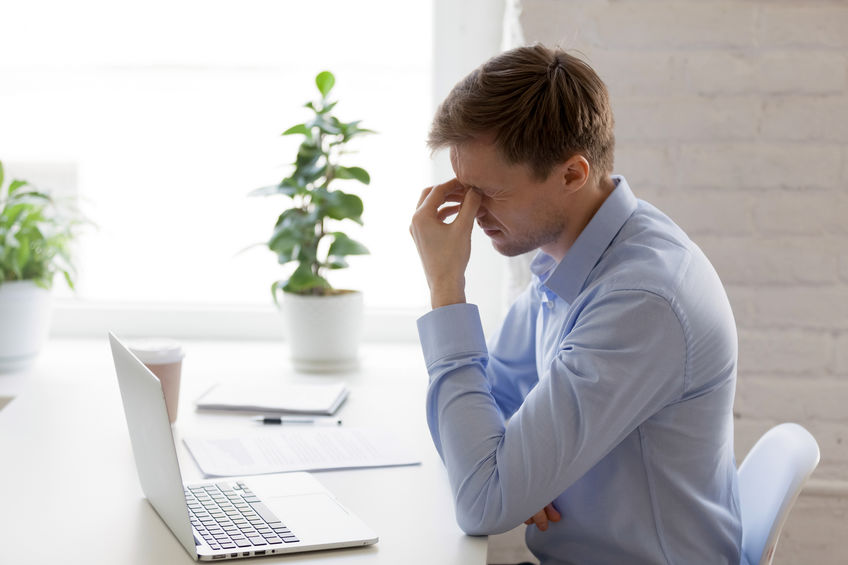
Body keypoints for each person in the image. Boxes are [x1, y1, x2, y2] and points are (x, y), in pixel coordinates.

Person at [409, 44, 743, 564]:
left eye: (488, 192)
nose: (471, 213)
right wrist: (509, 472)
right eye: (463, 190)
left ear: (572, 174)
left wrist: (445, 287)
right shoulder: (571, 256)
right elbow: (488, 404)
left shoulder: (638, 302)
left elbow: (482, 500)